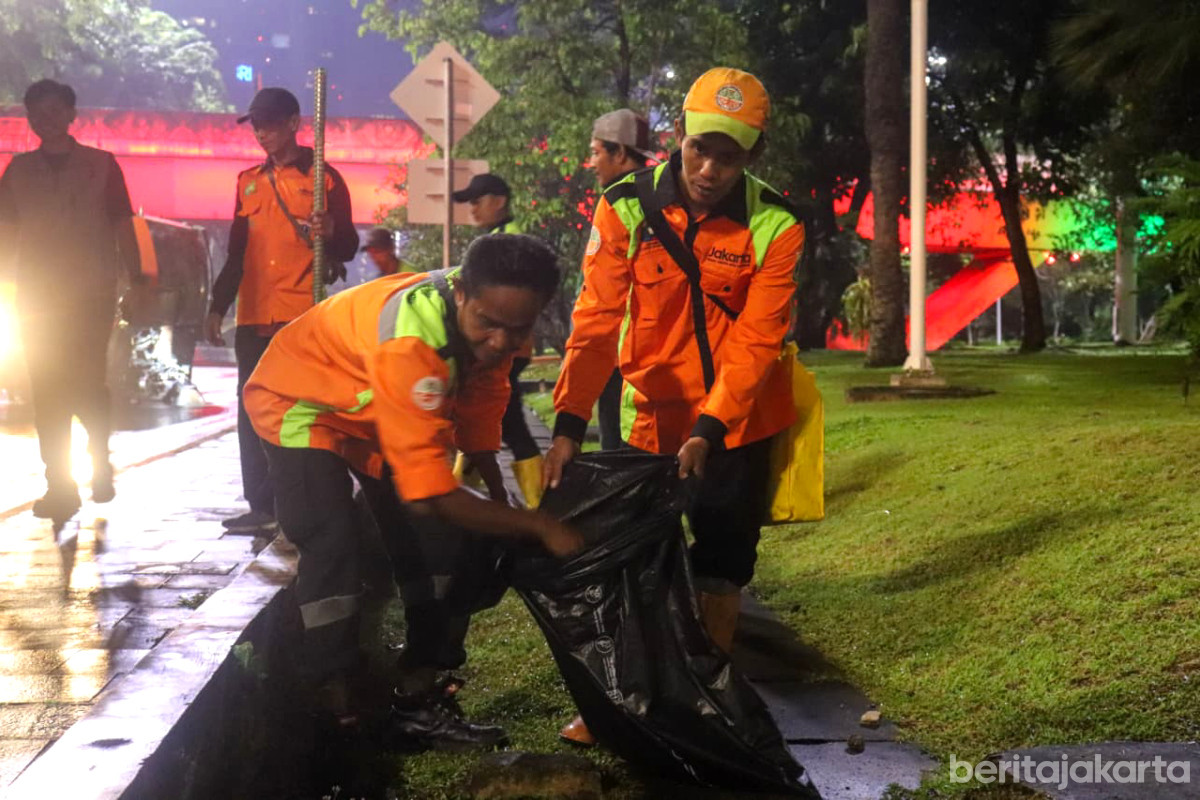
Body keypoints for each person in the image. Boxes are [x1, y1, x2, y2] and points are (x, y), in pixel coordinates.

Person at [546, 68, 805, 746]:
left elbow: (756, 340)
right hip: (652, 415)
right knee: (637, 556)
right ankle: (622, 701)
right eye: (700, 149)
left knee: (722, 558)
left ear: (754, 154)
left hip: (738, 420)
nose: (711, 168)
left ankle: (708, 695)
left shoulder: (776, 223)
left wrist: (712, 427)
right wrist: (570, 419)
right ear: (678, 137)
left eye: (731, 155)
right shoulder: (625, 205)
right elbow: (596, 319)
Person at [243, 233, 582, 746]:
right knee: (331, 540)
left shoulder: (497, 319)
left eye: (517, 330)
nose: (500, 342)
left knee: (440, 544)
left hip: (373, 408)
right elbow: (428, 494)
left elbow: (486, 388)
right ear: (461, 293)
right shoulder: (413, 343)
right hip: (301, 401)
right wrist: (537, 524)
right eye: (487, 325)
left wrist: (492, 476)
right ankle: (331, 701)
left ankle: (419, 696)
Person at [204, 87, 359, 535]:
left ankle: (311, 499)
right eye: (256, 124)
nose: (261, 132)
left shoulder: (323, 178)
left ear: (294, 122)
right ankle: (262, 504)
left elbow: (348, 244)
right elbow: (237, 253)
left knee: (302, 412)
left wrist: (329, 229)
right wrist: (217, 307)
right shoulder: (246, 181)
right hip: (253, 317)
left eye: (270, 123)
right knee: (250, 410)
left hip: (300, 317)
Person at [0, 79, 143, 520]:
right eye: (37, 112)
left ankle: (99, 461)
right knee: (46, 391)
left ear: (70, 114)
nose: (46, 118)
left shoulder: (102, 165)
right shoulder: (16, 172)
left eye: (54, 109)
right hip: (37, 298)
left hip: (91, 295)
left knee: (86, 383)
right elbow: (6, 234)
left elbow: (124, 225)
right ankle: (59, 485)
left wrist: (137, 281)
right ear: (31, 119)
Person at [451, 173, 543, 506]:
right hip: (508, 347)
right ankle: (468, 492)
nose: (473, 209)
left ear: (499, 200)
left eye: (478, 201)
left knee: (504, 420)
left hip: (506, 349)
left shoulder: (508, 243)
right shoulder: (499, 238)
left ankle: (538, 505)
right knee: (488, 418)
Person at [587, 109, 656, 451]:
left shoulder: (619, 201)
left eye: (597, 152)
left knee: (618, 458)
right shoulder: (667, 195)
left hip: (621, 355)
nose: (593, 162)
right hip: (660, 353)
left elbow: (603, 292)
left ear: (620, 153)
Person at [452, 173, 523, 234]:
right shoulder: (503, 234)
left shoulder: (504, 239)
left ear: (499, 202)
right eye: (472, 203)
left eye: (477, 202)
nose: (473, 210)